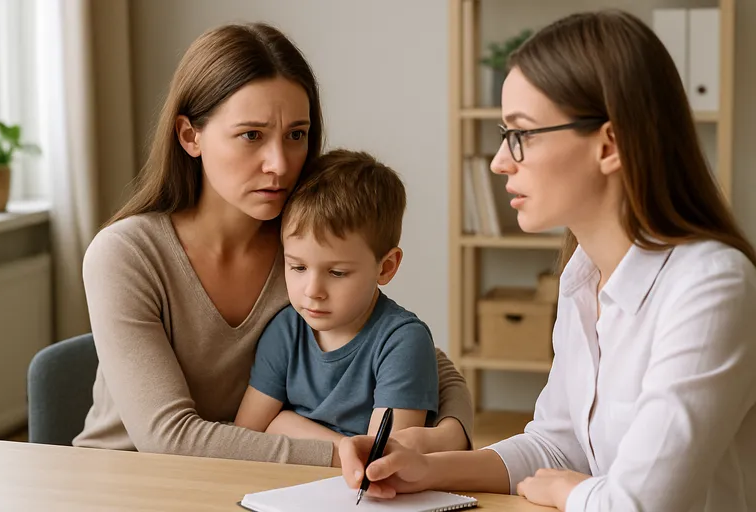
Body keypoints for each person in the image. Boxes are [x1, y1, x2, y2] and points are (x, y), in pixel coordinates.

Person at [339, 9, 756, 512]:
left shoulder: (712, 286)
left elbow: (641, 505)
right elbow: (556, 445)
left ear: (609, 144)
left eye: (522, 134)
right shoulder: (583, 276)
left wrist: (567, 490)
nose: (500, 161)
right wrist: (427, 468)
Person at [72, 23, 473, 466]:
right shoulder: (126, 255)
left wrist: (446, 436)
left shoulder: (305, 243)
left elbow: (424, 361)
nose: (280, 164)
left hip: (260, 480)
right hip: (128, 481)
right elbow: (168, 438)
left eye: (296, 135)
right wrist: (354, 455)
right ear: (190, 136)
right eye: (252, 135)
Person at [234, 149, 440, 450]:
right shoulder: (285, 330)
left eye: (337, 272)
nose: (312, 290)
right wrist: (346, 447)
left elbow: (381, 461)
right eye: (298, 267)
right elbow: (245, 437)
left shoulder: (402, 341)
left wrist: (285, 424)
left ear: (386, 267)